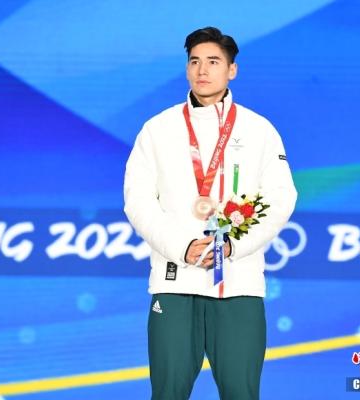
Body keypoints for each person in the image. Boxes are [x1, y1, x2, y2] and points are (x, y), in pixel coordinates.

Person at [124, 26, 297, 400]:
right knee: (167, 393)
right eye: (195, 61)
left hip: (239, 284)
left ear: (232, 70)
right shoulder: (158, 129)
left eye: (214, 62)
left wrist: (233, 246)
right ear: (187, 68)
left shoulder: (259, 130)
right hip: (174, 282)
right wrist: (182, 247)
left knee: (241, 393)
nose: (202, 70)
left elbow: (281, 199)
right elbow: (137, 201)